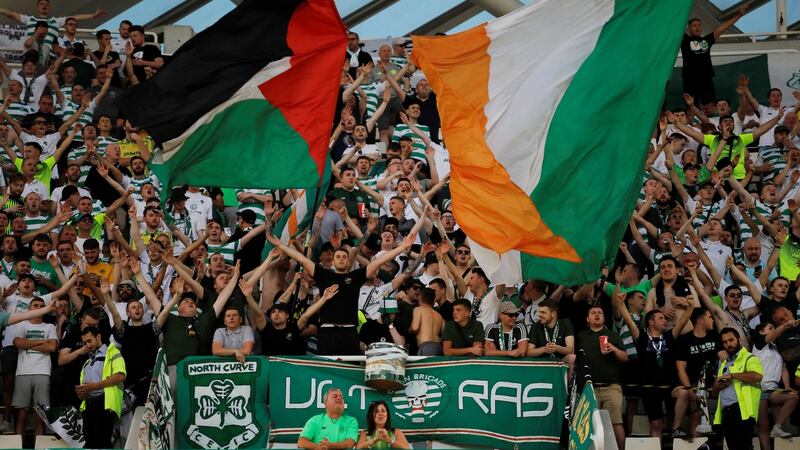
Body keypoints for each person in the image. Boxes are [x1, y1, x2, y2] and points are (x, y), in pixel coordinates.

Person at [267, 232, 416, 355]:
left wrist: (403, 246)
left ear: (348, 261)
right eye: (338, 256)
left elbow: (377, 263)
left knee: (349, 370)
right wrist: (281, 245)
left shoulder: (355, 277)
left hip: (349, 332)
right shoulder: (324, 275)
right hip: (326, 331)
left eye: (344, 257)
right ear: (332, 261)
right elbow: (302, 259)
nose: (341, 259)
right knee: (327, 369)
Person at [576, 305, 628, 450]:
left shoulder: (613, 335)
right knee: (588, 424)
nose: (597, 315)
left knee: (616, 422)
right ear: (587, 318)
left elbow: (625, 357)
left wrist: (614, 348)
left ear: (604, 318)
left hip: (611, 386)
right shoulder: (580, 336)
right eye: (593, 313)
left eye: (600, 312)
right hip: (588, 387)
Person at [680, 7, 747, 104]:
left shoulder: (706, 40)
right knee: (691, 106)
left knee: (709, 105)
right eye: (694, 26)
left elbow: (722, 28)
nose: (697, 27)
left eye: (699, 25)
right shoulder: (685, 40)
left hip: (706, 78)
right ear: (689, 28)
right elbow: (673, 25)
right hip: (689, 79)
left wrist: (739, 15)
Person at [11, 296, 56, 438]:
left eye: (41, 305)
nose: (38, 307)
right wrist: (42, 343)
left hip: (42, 372)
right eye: (35, 305)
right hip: (23, 372)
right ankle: (17, 447)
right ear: (30, 309)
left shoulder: (50, 327)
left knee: (40, 413)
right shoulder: (22, 325)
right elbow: (17, 343)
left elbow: (52, 347)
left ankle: (40, 446)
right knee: (21, 413)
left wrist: (29, 342)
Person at [76, 325, 126, 449]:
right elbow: (87, 387)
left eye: (89, 341)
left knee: (102, 441)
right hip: (88, 405)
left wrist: (94, 387)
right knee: (89, 442)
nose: (87, 345)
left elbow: (120, 376)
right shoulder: (87, 362)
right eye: (84, 342)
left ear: (98, 337)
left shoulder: (113, 352)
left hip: (104, 403)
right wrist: (81, 392)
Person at [712, 327, 763, 450]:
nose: (728, 344)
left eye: (731, 340)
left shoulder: (749, 358)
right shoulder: (723, 364)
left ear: (738, 339)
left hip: (742, 411)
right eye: (725, 342)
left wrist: (733, 375)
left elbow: (757, 376)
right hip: (726, 411)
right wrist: (716, 386)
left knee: (745, 447)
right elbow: (715, 394)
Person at [409, 287, 443, 356]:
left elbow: (415, 328)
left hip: (426, 347)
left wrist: (410, 330)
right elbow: (444, 335)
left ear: (420, 297)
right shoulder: (439, 315)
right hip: (438, 347)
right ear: (433, 300)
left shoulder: (419, 309)